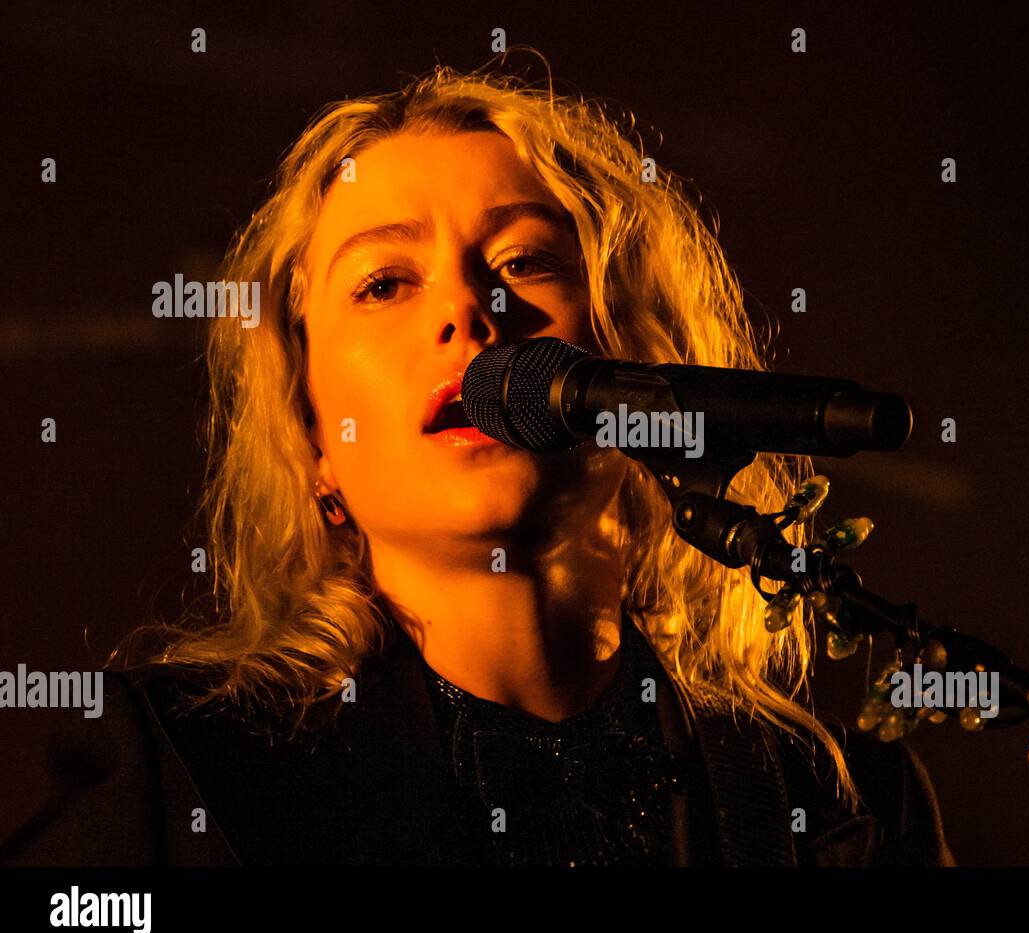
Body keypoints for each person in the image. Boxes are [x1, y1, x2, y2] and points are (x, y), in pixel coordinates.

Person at [14, 59, 954, 867]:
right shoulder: (182, 773)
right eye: (384, 283)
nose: (469, 310)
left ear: (636, 353)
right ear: (310, 440)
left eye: (526, 260)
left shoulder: (839, 795)